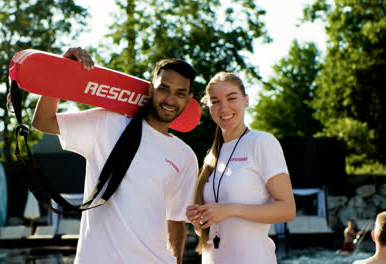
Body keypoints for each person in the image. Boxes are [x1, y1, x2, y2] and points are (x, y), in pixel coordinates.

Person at [32, 47, 198, 264]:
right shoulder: (108, 123)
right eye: (163, 89)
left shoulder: (184, 156)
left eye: (180, 93)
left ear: (188, 99)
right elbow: (43, 121)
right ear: (150, 90)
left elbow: (176, 221)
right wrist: (62, 71)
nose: (170, 99)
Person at [185, 72, 296, 263]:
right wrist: (198, 220)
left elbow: (287, 210)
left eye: (232, 98)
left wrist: (231, 209)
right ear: (208, 107)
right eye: (215, 101)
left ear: (246, 100)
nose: (224, 107)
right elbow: (212, 230)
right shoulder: (211, 157)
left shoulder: (262, 142)